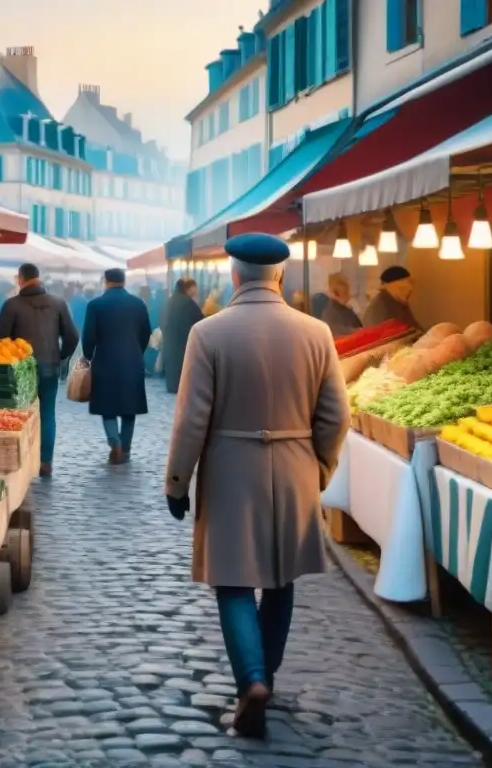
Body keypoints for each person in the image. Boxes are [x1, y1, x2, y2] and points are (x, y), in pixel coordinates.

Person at [164, 233, 350, 739]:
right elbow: (336, 415)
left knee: (232, 578)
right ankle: (265, 674)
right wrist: (319, 469)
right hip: (294, 466)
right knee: (280, 578)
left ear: (234, 275)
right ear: (280, 276)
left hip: (230, 466)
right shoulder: (316, 333)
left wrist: (178, 483)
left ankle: (251, 682)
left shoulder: (209, 333)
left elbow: (191, 420)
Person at [0, 263, 79, 477]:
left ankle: (23, 462)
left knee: (20, 415)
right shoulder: (58, 303)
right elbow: (73, 336)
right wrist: (60, 356)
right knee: (48, 413)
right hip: (50, 366)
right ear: (38, 278)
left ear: (20, 279)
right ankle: (46, 463)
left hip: (20, 371)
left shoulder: (11, 306)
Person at [82, 267, 152, 464]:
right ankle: (126, 448)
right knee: (130, 408)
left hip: (105, 361)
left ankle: (115, 443)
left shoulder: (96, 305)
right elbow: (146, 332)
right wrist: (138, 351)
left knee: (108, 407)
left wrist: (88, 356)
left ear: (106, 281)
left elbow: (89, 335)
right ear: (124, 281)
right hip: (132, 361)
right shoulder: (138, 304)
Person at [161, 278, 205, 394]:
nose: (196, 291)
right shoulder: (188, 303)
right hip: (184, 344)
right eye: (195, 288)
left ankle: (173, 386)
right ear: (188, 288)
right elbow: (200, 322)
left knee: (173, 370)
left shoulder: (169, 302)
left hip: (170, 343)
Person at [321, 273, 363, 338]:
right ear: (335, 294)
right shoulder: (330, 313)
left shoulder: (345, 308)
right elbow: (339, 332)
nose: (349, 297)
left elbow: (359, 326)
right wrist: (359, 331)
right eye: (345, 293)